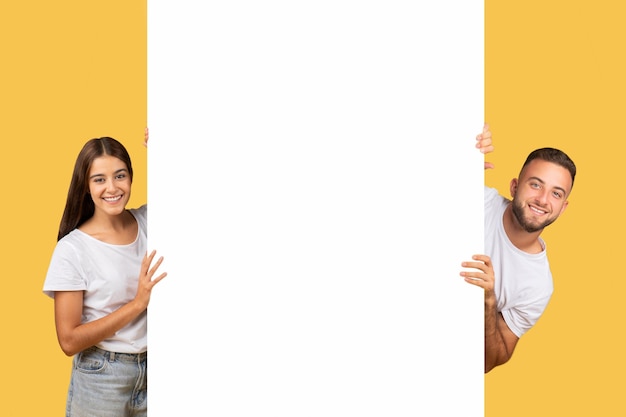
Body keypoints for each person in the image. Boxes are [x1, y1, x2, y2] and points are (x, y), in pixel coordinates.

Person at [43, 132, 166, 416]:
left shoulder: (149, 221)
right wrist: (137, 304)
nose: (112, 187)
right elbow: (69, 340)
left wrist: (160, 152)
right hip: (101, 378)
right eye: (99, 179)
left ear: (131, 177)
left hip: (154, 371)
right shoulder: (72, 249)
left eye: (120, 175)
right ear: (86, 186)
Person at [461, 124, 576, 373]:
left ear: (563, 207)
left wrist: (488, 302)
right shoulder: (476, 199)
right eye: (535, 185)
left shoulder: (538, 287)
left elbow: (488, 362)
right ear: (514, 186)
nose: (543, 200)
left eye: (556, 193)